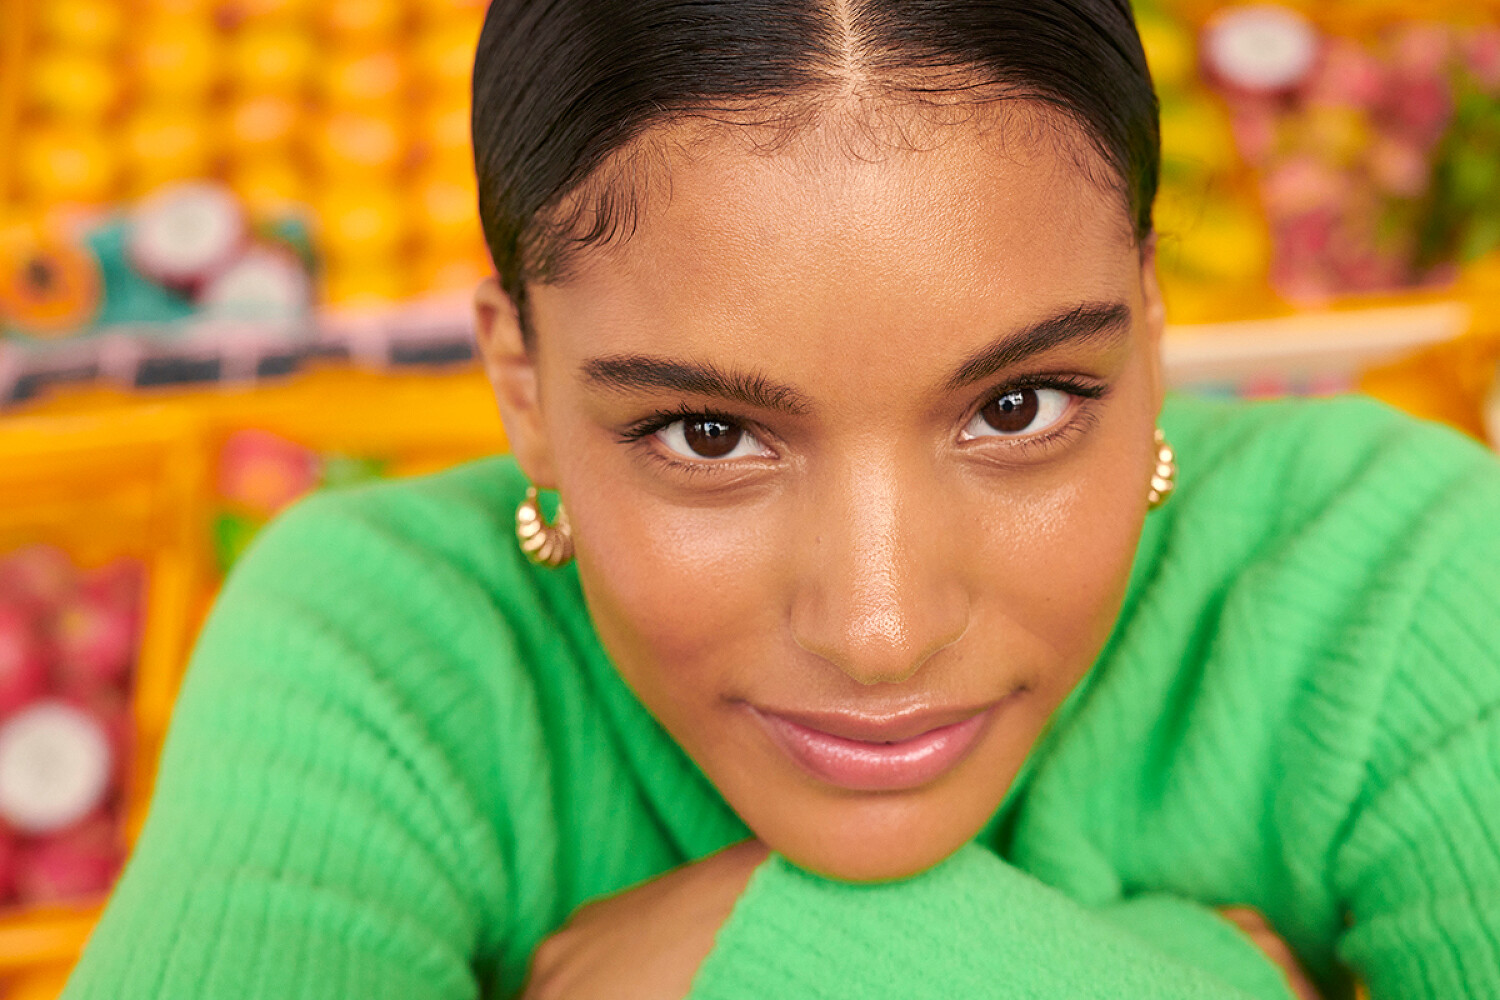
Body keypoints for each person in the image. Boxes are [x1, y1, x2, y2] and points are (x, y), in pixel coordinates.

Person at [64, 2, 1500, 998]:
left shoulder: (1412, 583)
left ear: (1151, 324)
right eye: (706, 433)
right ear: (521, 385)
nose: (879, 631)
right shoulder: (376, 652)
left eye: (1018, 407)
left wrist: (756, 954)